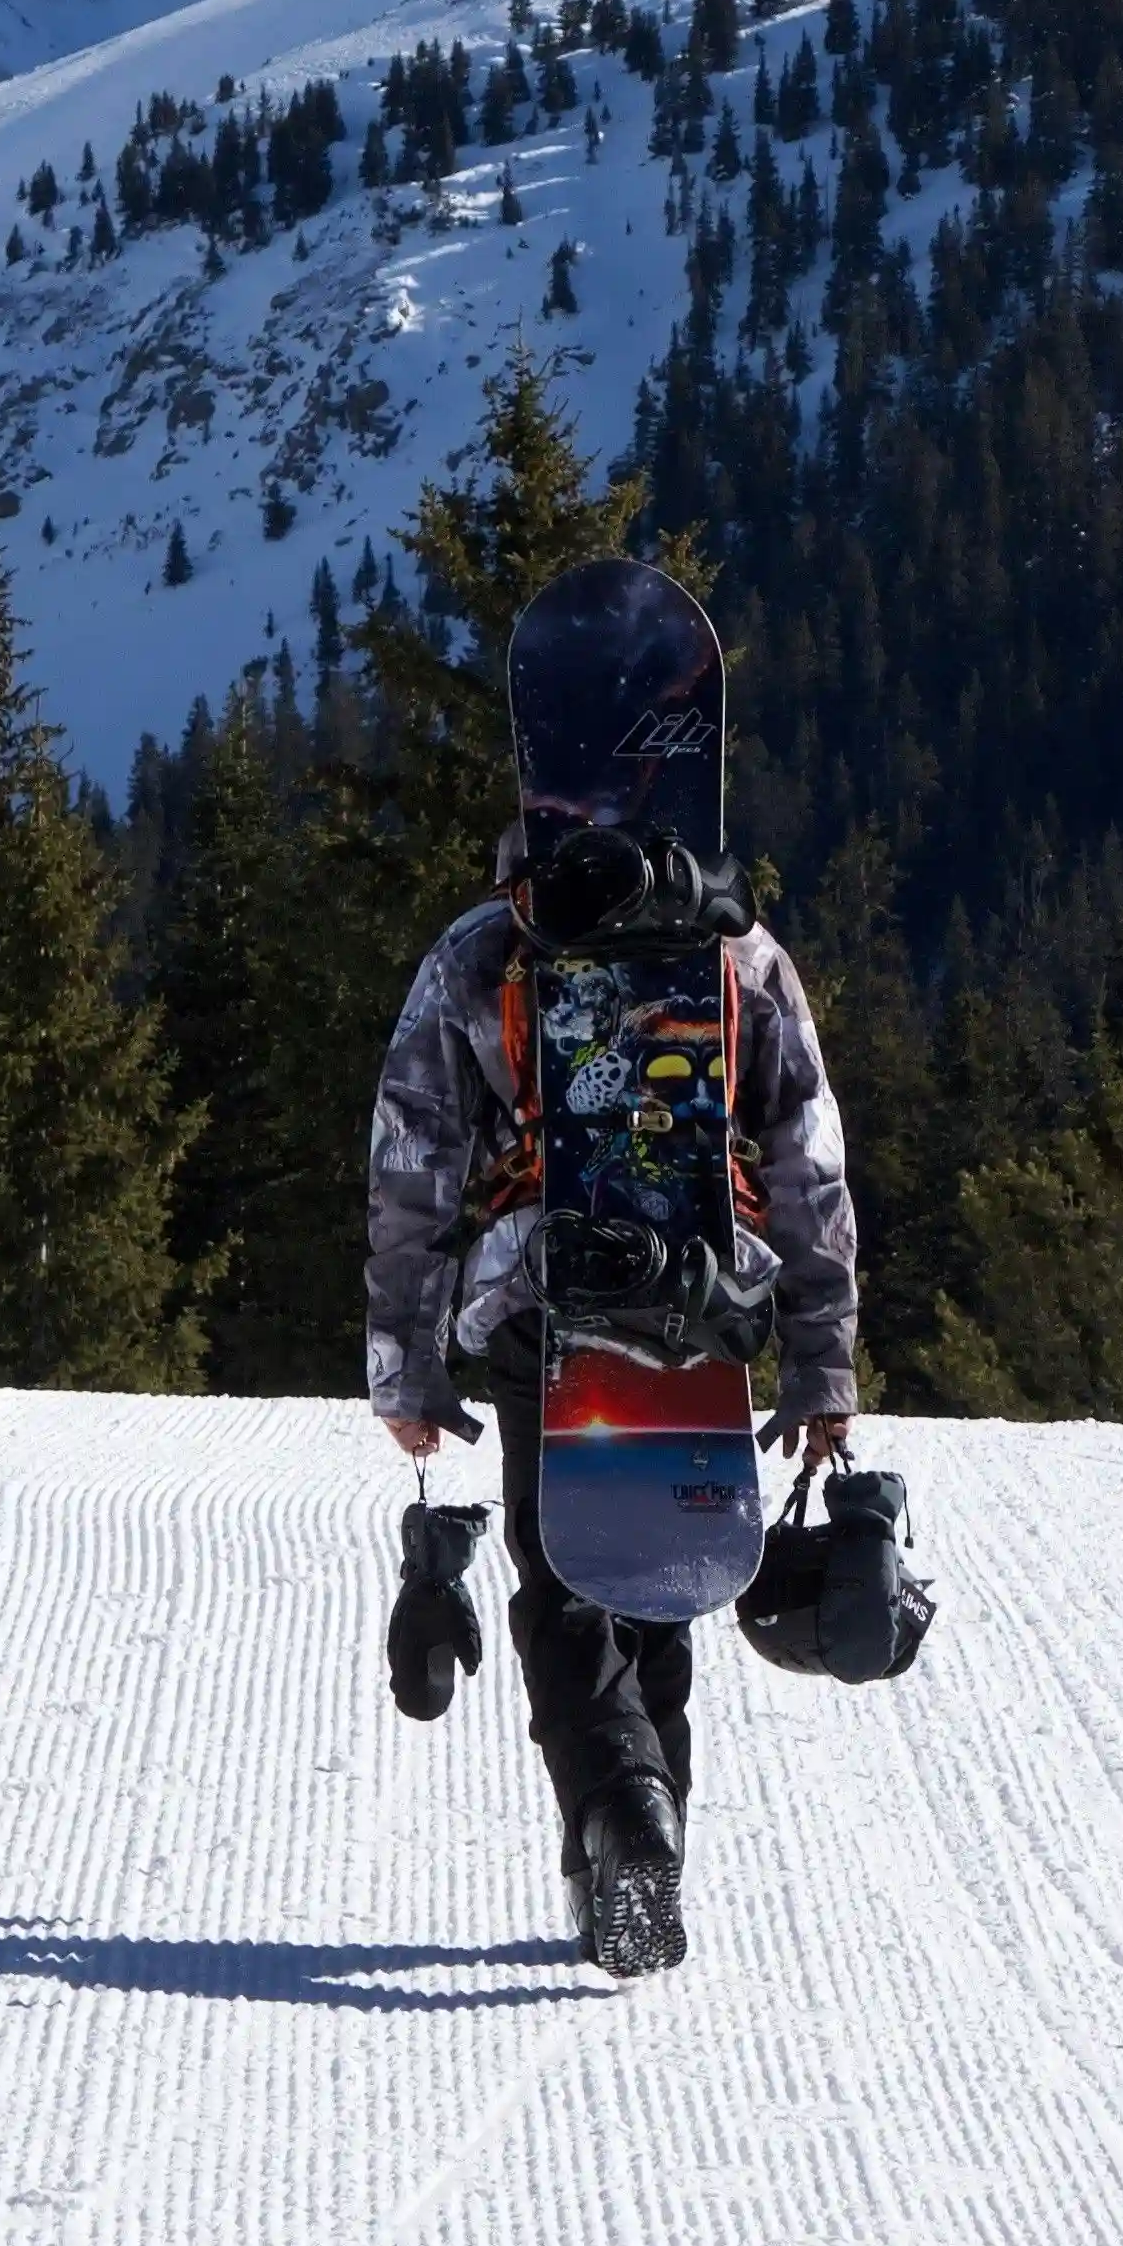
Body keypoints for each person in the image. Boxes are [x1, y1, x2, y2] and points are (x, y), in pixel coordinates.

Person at [363, 805, 861, 1971]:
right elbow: (807, 1153)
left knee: (569, 1573)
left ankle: (620, 1809)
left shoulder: (483, 952)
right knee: (661, 1567)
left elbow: (414, 1156)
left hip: (548, 1290)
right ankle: (645, 1846)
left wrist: (408, 1356)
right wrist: (820, 1354)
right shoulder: (739, 949)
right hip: (708, 1289)